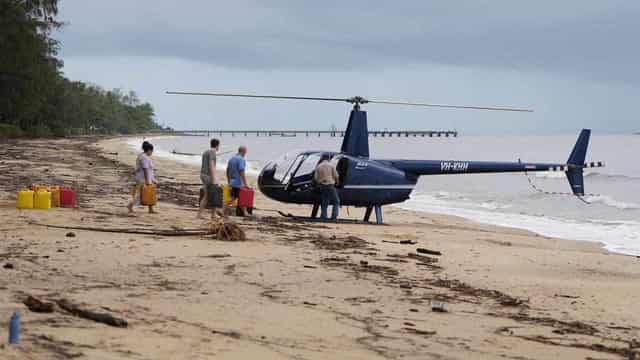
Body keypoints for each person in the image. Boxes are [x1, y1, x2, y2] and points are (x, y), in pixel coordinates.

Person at [127, 141, 157, 214]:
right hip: (143, 178)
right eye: (152, 151)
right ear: (149, 150)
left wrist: (152, 179)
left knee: (150, 193)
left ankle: (151, 209)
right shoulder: (144, 158)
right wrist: (147, 181)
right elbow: (145, 169)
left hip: (145, 178)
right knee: (140, 194)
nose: (152, 153)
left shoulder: (142, 156)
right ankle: (130, 206)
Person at [198, 138, 225, 219]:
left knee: (209, 195)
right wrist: (214, 179)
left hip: (203, 174)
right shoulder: (212, 152)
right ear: (217, 145)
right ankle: (202, 214)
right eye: (219, 145)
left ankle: (211, 214)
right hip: (208, 176)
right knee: (212, 195)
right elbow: (211, 165)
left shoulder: (206, 152)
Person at [313, 154, 340, 220]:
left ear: (322, 158)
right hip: (330, 185)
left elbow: (315, 178)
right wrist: (338, 182)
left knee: (324, 202)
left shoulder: (319, 166)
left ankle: (324, 216)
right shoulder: (331, 165)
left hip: (322, 186)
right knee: (336, 201)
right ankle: (334, 216)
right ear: (328, 158)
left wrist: (319, 182)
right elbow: (336, 176)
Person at [226, 146, 250, 216]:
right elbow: (241, 171)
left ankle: (245, 212)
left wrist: (229, 180)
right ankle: (222, 209)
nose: (246, 153)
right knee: (234, 197)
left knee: (239, 197)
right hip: (238, 182)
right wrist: (245, 184)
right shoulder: (241, 159)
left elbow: (227, 170)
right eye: (245, 151)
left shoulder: (231, 159)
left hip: (232, 181)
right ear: (243, 151)